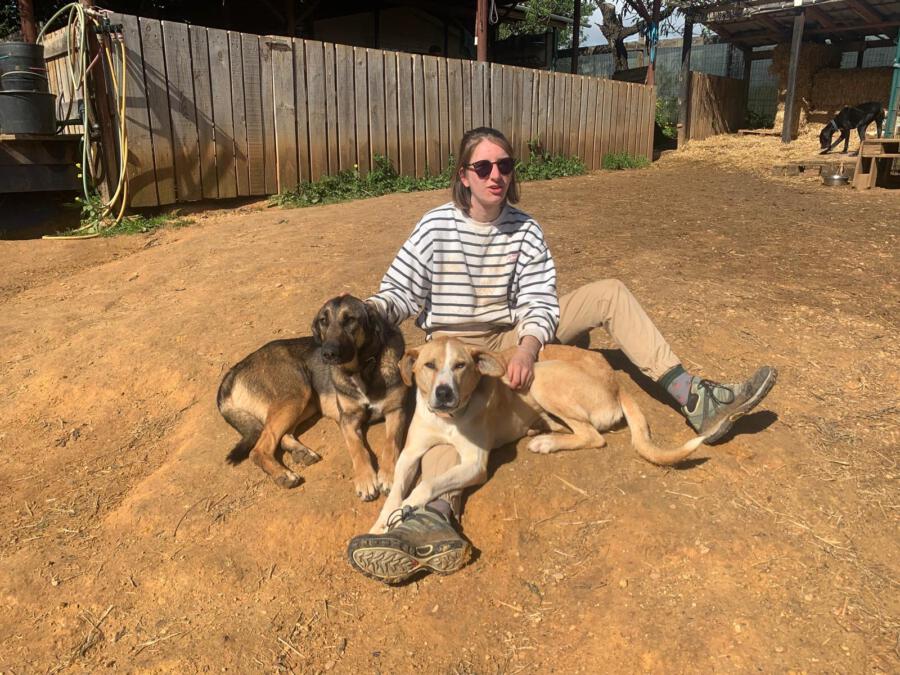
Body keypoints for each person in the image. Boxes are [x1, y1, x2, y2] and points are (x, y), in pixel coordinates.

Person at [347, 127, 776, 583]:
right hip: (452, 345)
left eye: (504, 166)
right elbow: (400, 292)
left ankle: (694, 396)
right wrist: (367, 312)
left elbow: (539, 301)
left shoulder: (525, 228)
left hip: (512, 335)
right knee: (445, 424)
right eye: (483, 167)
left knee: (610, 293)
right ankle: (434, 514)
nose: (495, 176)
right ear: (464, 176)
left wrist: (528, 348)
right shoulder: (436, 226)